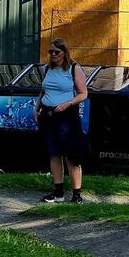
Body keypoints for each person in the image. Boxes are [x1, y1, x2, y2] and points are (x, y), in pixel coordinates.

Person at [39, 38, 90, 204]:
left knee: (71, 154)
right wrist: (37, 107)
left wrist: (67, 104)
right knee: (54, 153)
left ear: (64, 52)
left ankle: (76, 194)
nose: (53, 55)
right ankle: (58, 192)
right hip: (48, 114)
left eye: (57, 52)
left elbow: (83, 94)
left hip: (66, 115)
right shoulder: (47, 69)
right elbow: (44, 90)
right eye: (51, 52)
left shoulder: (74, 68)